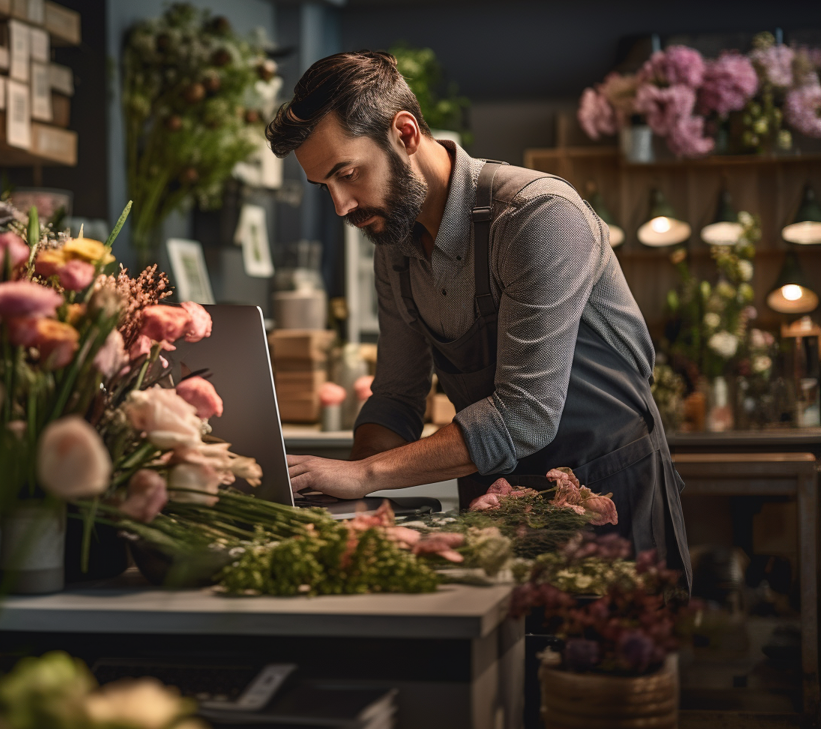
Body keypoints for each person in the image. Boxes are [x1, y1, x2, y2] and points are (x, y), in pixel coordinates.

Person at [266, 50, 690, 584]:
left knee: (599, 662)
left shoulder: (538, 217)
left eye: (347, 174)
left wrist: (365, 473)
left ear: (405, 133)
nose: (341, 206)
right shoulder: (394, 245)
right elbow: (397, 397)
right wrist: (349, 497)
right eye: (324, 186)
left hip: (609, 503)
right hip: (496, 510)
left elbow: (525, 414)